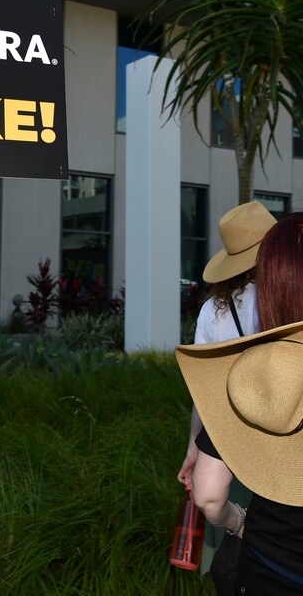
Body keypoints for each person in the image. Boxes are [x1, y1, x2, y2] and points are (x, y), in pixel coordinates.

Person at [176, 212, 303, 595]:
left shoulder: (213, 310)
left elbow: (209, 392)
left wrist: (195, 445)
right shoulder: (262, 300)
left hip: (272, 557)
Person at [177, 200, 276, 487]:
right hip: (282, 441)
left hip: (227, 444)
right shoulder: (286, 297)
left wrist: (194, 446)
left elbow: (203, 391)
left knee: (231, 520)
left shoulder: (210, 311)